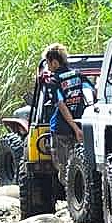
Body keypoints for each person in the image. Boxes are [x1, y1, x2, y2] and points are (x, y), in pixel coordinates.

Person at [43, 44, 87, 185]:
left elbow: (61, 106)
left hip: (61, 130)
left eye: (47, 63)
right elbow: (92, 93)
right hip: (81, 126)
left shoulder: (54, 81)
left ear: (54, 62)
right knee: (81, 166)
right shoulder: (78, 75)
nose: (47, 67)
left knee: (64, 168)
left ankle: (72, 202)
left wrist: (75, 129)